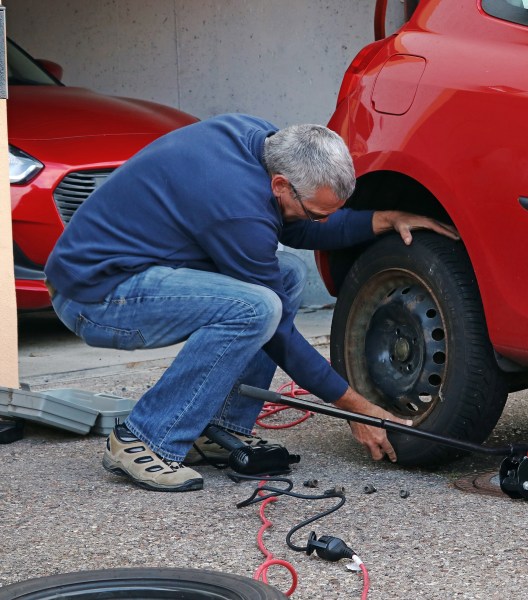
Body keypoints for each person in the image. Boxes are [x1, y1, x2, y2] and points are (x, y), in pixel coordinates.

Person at [44, 113, 459, 492]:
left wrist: (385, 219)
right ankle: (144, 439)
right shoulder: (235, 206)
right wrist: (356, 407)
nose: (316, 221)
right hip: (96, 298)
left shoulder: (260, 144)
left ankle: (219, 427)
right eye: (315, 212)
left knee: (287, 276)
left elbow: (296, 228)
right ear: (281, 184)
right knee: (256, 308)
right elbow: (278, 335)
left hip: (135, 273)